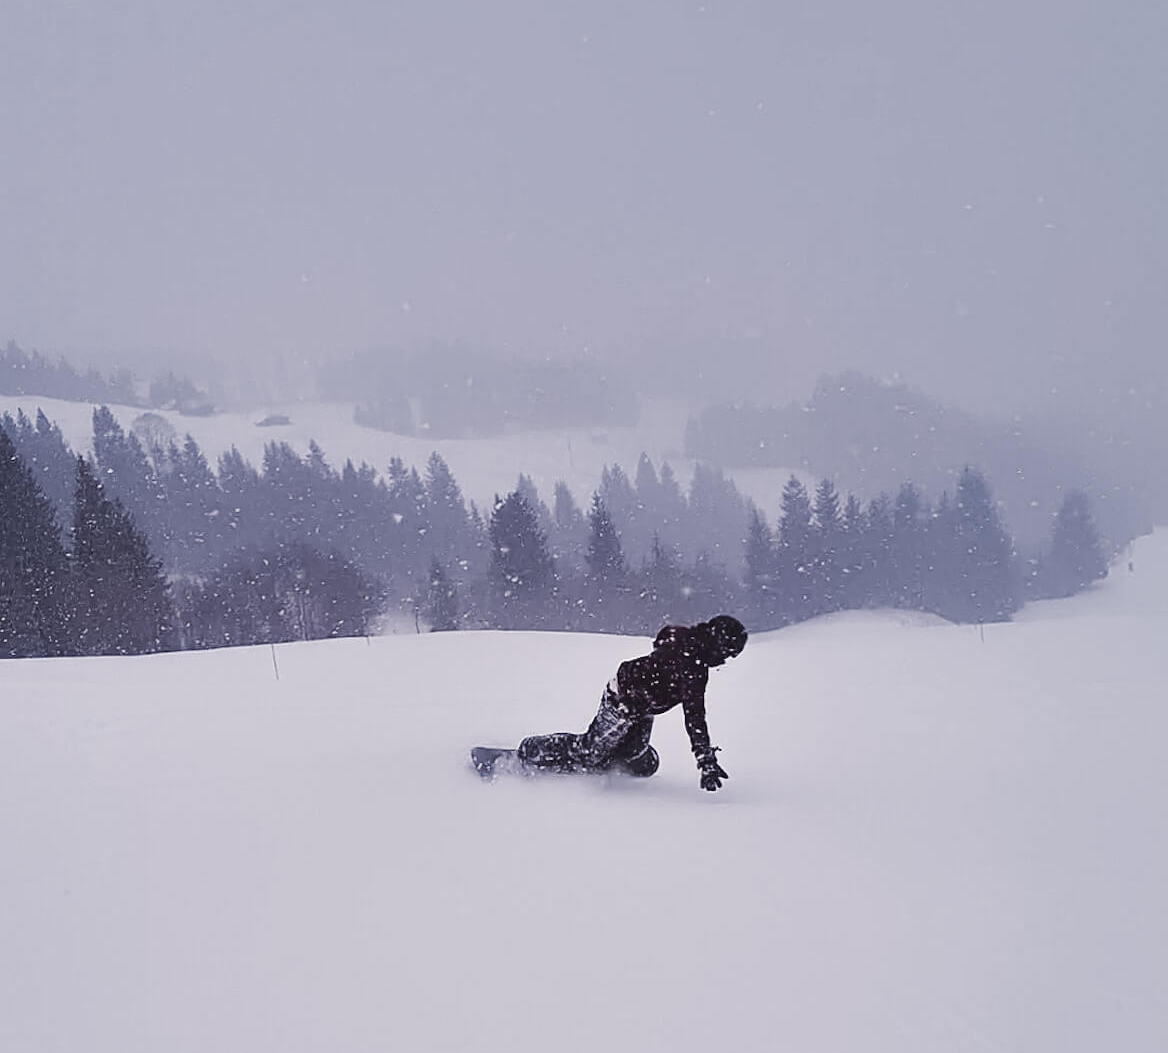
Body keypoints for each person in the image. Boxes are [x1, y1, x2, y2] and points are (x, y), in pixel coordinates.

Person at [516, 614, 748, 792]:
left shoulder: (684, 639)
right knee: (589, 751)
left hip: (644, 707)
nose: (725, 660)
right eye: (729, 653)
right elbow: (694, 717)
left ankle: (604, 757)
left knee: (637, 756)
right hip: (622, 698)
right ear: (719, 644)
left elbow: (664, 635)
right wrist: (705, 759)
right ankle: (530, 749)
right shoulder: (693, 668)